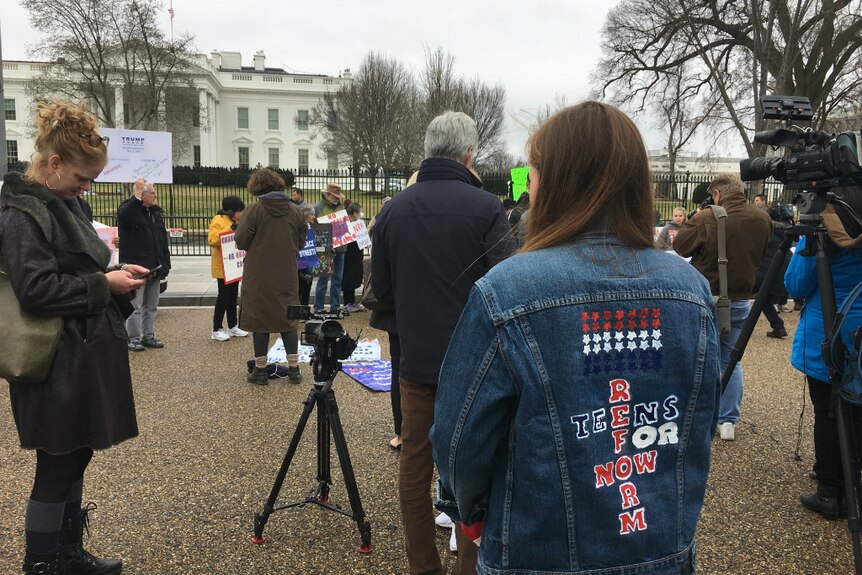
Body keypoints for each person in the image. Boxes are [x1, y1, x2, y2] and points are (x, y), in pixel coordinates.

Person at [430, 101, 720, 575]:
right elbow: (698, 420)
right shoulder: (689, 289)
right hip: (659, 548)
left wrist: (467, 512)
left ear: (556, 181)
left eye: (535, 171)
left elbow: (459, 440)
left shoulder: (508, 290)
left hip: (537, 553)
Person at [0, 100, 148, 575]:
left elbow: (78, 267)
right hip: (53, 360)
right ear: (54, 162)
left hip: (80, 355)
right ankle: (41, 563)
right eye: (82, 178)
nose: (87, 188)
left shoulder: (64, 202)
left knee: (77, 453)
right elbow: (37, 289)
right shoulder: (22, 213)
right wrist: (104, 285)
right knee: (57, 462)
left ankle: (67, 554)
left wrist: (115, 273)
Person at [372, 110, 516, 575]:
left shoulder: (393, 209)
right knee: (475, 469)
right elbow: (504, 285)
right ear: (469, 153)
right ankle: (469, 566)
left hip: (417, 364)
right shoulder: (486, 208)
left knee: (414, 466)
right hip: (475, 366)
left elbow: (383, 293)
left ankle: (423, 567)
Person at [674, 173, 772, 441]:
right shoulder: (762, 217)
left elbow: (680, 247)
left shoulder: (708, 217)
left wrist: (698, 216)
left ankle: (699, 416)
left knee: (699, 358)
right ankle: (727, 420)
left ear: (717, 193)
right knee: (731, 360)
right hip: (742, 298)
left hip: (708, 296)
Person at [786, 187, 862, 520]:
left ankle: (830, 492)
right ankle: (849, 484)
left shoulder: (823, 229)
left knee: (827, 413)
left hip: (828, 333)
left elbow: (796, 286)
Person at [235, 168, 306, 386]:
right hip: (287, 273)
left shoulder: (254, 211)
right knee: (288, 321)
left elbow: (241, 241)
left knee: (260, 321)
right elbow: (301, 242)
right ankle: (294, 369)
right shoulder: (295, 212)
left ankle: (260, 371)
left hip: (259, 274)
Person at [117, 177, 172, 352]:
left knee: (151, 305)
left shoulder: (155, 213)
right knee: (136, 306)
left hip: (155, 266)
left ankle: (148, 336)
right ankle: (133, 338)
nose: (155, 196)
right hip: (137, 266)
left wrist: (165, 264)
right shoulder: (130, 210)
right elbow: (124, 215)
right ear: (143, 194)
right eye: (152, 193)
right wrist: (137, 194)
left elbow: (162, 241)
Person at [207, 196, 250, 341]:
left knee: (232, 297)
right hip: (222, 268)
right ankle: (216, 329)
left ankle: (232, 326)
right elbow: (212, 240)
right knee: (223, 298)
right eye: (240, 211)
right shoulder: (218, 220)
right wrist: (229, 228)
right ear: (232, 211)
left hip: (233, 267)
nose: (242, 214)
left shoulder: (235, 221)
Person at [752, 203, 794, 338]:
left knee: (737, 291)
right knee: (763, 298)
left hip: (767, 271)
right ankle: (778, 326)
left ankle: (734, 324)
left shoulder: (767, 231)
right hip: (780, 271)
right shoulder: (786, 231)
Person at [313, 183, 347, 315]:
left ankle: (335, 306)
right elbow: (313, 229)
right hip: (324, 249)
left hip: (340, 248)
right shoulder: (317, 208)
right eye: (335, 196)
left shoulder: (340, 207)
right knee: (322, 280)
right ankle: (318, 308)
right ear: (327, 195)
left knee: (337, 280)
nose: (337, 199)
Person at [342, 202, 365, 313]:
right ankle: (347, 302)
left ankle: (351, 301)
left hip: (356, 253)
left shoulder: (358, 223)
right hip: (349, 254)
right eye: (359, 212)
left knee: (354, 276)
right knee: (348, 277)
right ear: (355, 213)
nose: (361, 214)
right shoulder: (346, 223)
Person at [297, 203, 317, 306]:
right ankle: (298, 311)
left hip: (309, 260)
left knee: (307, 289)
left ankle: (304, 310)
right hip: (301, 261)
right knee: (300, 288)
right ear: (307, 215)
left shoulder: (310, 226)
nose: (314, 217)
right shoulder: (299, 227)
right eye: (312, 215)